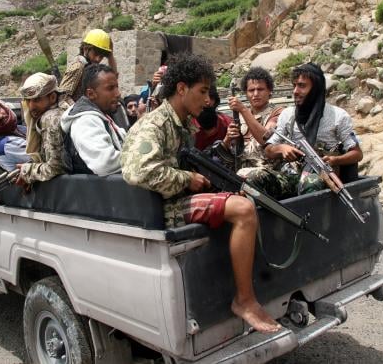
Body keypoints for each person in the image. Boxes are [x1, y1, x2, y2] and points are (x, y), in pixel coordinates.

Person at [121, 53, 281, 334]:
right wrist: (187, 179)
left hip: (175, 197)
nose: (207, 101)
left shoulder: (182, 124)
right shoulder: (156, 124)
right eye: (202, 91)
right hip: (166, 206)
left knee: (248, 194)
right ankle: (244, 300)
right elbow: (137, 172)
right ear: (181, 89)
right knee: (243, 210)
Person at [263, 62, 363, 196]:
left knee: (311, 183)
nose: (295, 91)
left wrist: (334, 160)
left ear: (316, 89)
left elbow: (357, 154)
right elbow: (268, 150)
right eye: (294, 86)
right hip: (293, 174)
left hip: (322, 176)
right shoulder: (288, 115)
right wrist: (281, 148)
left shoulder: (338, 116)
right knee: (256, 178)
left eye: (302, 86)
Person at [61, 64, 126, 176]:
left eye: (117, 87)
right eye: (110, 88)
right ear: (91, 94)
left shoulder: (101, 114)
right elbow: (104, 163)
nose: (118, 93)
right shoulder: (85, 121)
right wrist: (141, 159)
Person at [16, 73, 68, 186]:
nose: (31, 106)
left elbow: (56, 167)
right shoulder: (63, 110)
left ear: (52, 97)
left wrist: (27, 171)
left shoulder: (50, 118)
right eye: (28, 101)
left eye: (36, 100)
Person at [227, 67, 283, 174]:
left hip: (267, 171)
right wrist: (228, 138)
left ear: (269, 91)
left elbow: (265, 138)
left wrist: (243, 110)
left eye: (260, 89)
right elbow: (231, 149)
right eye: (251, 90)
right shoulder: (239, 116)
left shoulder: (278, 113)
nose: (256, 94)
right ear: (246, 93)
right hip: (240, 167)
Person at [58, 28, 118, 106]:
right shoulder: (78, 66)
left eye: (101, 56)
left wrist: (110, 56)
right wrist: (78, 111)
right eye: (95, 54)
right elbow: (63, 97)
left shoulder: (92, 68)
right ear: (86, 49)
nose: (98, 59)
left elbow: (113, 79)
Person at [192, 85, 233, 151]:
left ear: (215, 101)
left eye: (210, 97)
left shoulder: (227, 123)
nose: (207, 101)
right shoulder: (187, 125)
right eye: (202, 96)